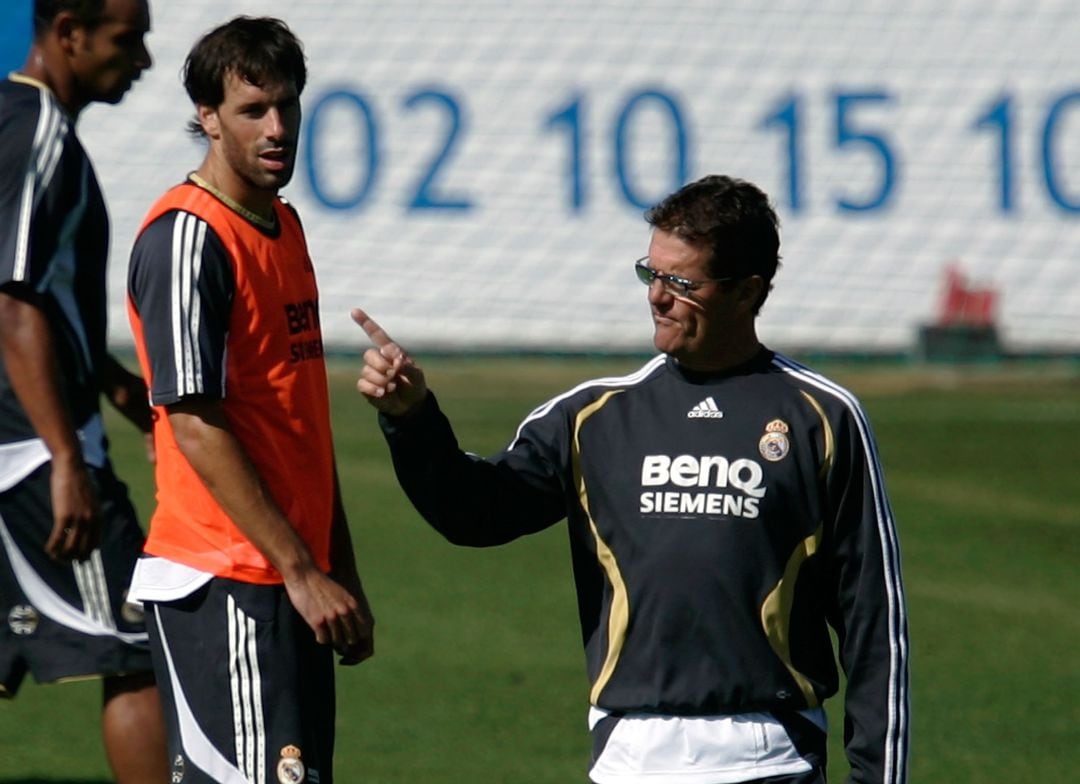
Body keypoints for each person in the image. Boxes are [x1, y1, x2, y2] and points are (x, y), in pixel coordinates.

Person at [354, 174, 910, 784]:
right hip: (630, 758)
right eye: (652, 274)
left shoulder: (823, 418)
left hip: (771, 756)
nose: (658, 297)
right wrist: (413, 421)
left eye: (682, 282)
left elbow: (873, 622)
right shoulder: (594, 417)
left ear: (747, 291)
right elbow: (474, 513)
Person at [125, 16, 374, 784]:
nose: (277, 128)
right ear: (206, 116)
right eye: (252, 110)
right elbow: (194, 424)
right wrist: (302, 570)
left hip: (283, 576)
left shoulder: (282, 226)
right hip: (227, 579)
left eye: (288, 107)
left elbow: (297, 425)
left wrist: (338, 566)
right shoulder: (188, 238)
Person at [0, 1, 167, 781]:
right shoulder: (40, 134)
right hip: (33, 451)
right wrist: (67, 456)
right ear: (67, 32)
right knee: (137, 651)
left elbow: (37, 296)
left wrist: (112, 381)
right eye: (127, 40)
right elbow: (12, 300)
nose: (142, 61)